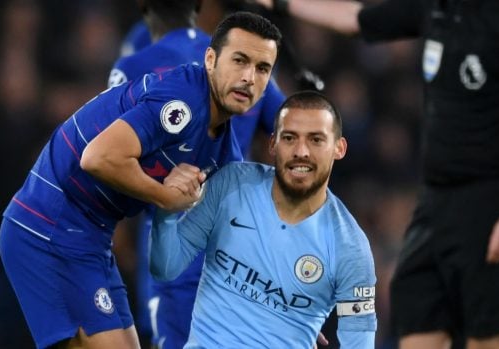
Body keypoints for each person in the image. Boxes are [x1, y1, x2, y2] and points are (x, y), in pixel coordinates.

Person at [251, 0, 499, 348]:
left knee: (486, 338)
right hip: (433, 202)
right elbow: (355, 18)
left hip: (488, 199)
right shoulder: (436, 9)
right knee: (416, 329)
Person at [0, 11, 282, 349]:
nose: (249, 77)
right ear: (210, 59)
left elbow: (197, 254)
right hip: (48, 226)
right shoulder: (184, 101)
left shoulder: (222, 153)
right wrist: (166, 197)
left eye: (262, 69)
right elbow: (97, 157)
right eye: (240, 60)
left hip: (90, 240)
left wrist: (283, 317)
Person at [107, 2, 287, 348]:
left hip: (175, 236)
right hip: (243, 242)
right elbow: (290, 128)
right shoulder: (239, 56)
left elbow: (108, 152)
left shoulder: (134, 63)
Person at [149, 90, 377, 348]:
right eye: (289, 138)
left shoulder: (350, 247)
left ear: (339, 148)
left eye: (316, 140)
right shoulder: (231, 184)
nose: (301, 151)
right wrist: (166, 209)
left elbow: (359, 341)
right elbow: (165, 268)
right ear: (272, 144)